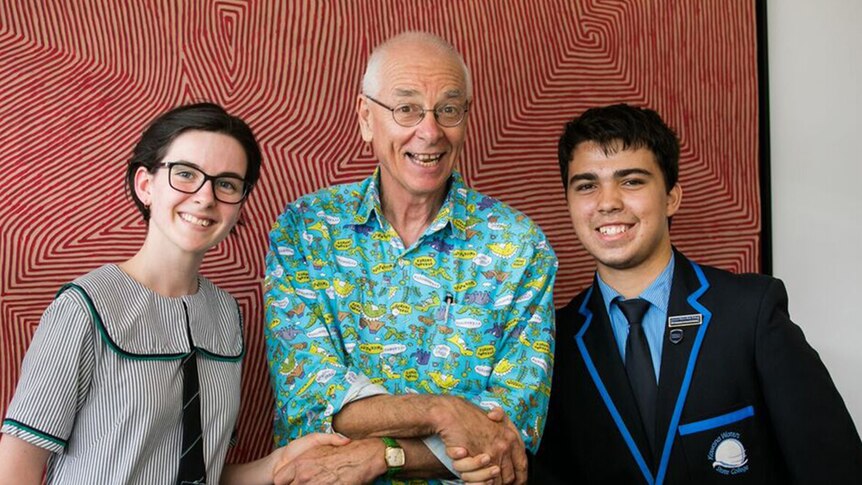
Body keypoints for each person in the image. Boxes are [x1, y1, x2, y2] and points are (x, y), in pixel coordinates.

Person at [0, 102, 348, 484]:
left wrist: (280, 464)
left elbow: (199, 473)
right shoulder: (84, 307)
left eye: (227, 183)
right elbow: (16, 468)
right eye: (186, 174)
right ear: (145, 184)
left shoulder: (226, 315)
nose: (205, 197)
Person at [264, 32, 557, 485]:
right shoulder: (305, 230)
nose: (431, 130)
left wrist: (383, 455)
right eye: (407, 109)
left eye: (449, 109)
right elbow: (309, 399)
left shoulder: (519, 246)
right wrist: (444, 410)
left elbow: (505, 436)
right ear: (366, 118)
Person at [533, 103, 862, 483]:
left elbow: (836, 469)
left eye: (632, 181)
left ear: (672, 196)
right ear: (569, 202)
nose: (608, 202)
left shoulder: (750, 312)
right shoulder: (554, 341)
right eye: (587, 185)